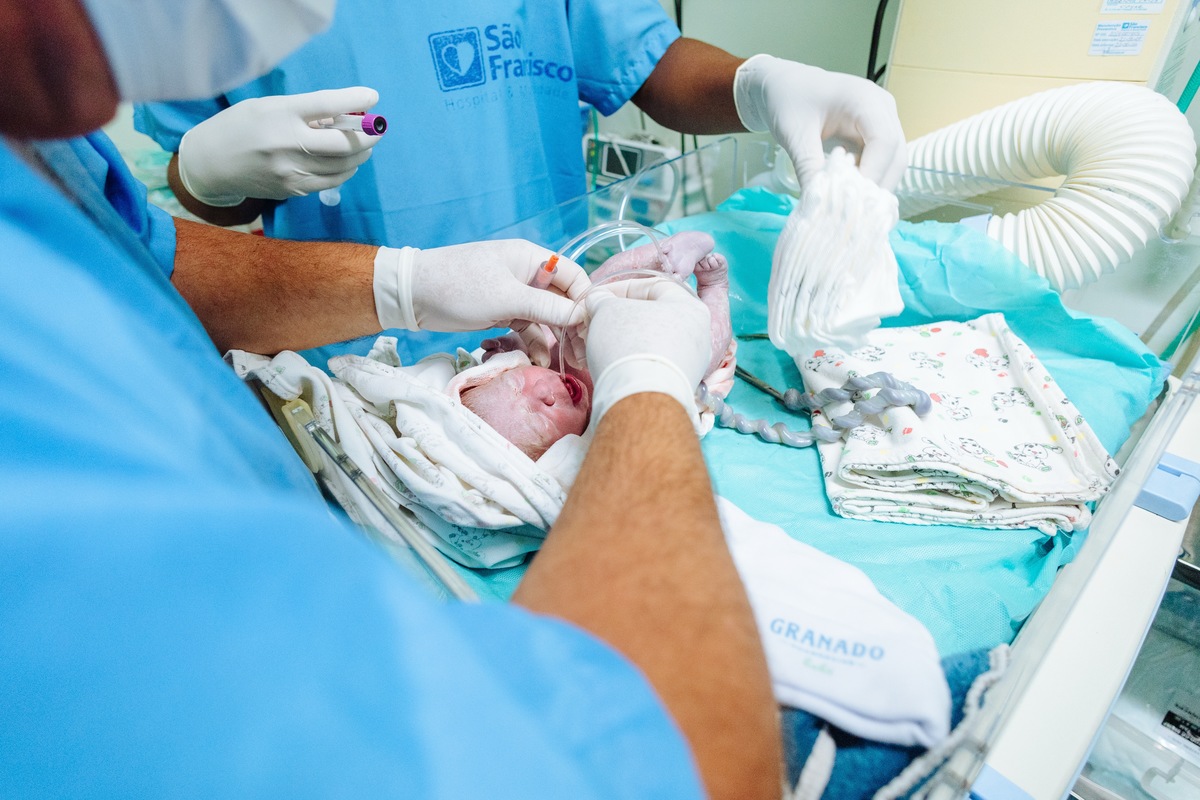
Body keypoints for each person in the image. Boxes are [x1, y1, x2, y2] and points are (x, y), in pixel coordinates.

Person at [1, 1, 782, 797]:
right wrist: (646, 385)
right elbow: (633, 767)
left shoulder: (45, 153)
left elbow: (150, 251)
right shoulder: (45, 445)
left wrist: (400, 282)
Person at [134, 0, 906, 363]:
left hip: (560, 326)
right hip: (350, 343)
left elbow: (644, 62)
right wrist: (210, 167)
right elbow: (198, 203)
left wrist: (760, 87)